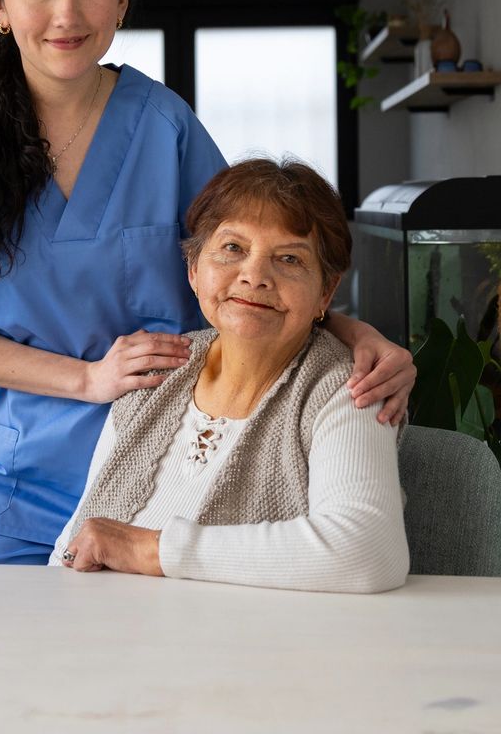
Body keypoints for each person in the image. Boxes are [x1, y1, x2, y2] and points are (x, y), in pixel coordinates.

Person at [0, 0, 415, 566]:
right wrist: (86, 380)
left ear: (121, 1)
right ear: (1, 7)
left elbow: (247, 267)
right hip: (10, 489)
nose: (66, 13)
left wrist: (356, 333)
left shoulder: (164, 126)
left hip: (165, 473)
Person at [53, 159, 409, 592]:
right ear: (193, 271)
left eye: (290, 258)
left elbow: (367, 552)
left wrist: (150, 550)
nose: (255, 276)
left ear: (326, 292)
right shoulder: (153, 372)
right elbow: (75, 541)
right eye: (233, 249)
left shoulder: (349, 387)